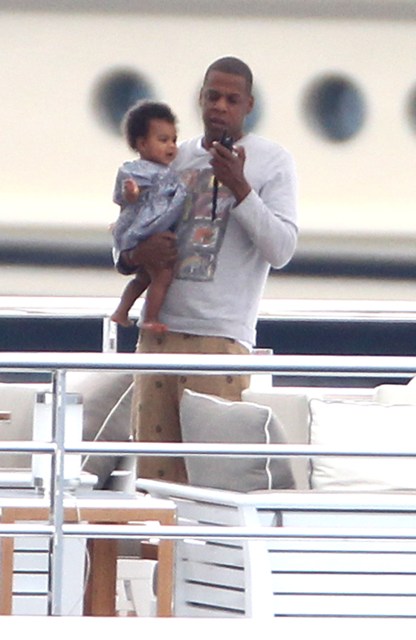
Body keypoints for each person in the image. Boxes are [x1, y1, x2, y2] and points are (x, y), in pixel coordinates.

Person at [115, 56, 298, 482]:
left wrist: (240, 186)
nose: (220, 106)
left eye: (232, 99)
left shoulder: (273, 161)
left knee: (216, 480)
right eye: (213, 96)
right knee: (154, 481)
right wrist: (135, 255)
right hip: (158, 338)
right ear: (200, 98)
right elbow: (126, 236)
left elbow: (282, 249)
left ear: (249, 105)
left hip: (222, 341)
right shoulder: (173, 157)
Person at [111, 100, 187, 330]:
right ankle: (150, 317)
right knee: (163, 275)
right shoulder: (138, 170)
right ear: (142, 144)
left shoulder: (167, 170)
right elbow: (128, 196)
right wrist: (132, 192)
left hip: (153, 227)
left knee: (144, 277)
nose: (171, 146)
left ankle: (121, 311)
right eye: (163, 140)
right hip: (145, 230)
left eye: (174, 140)